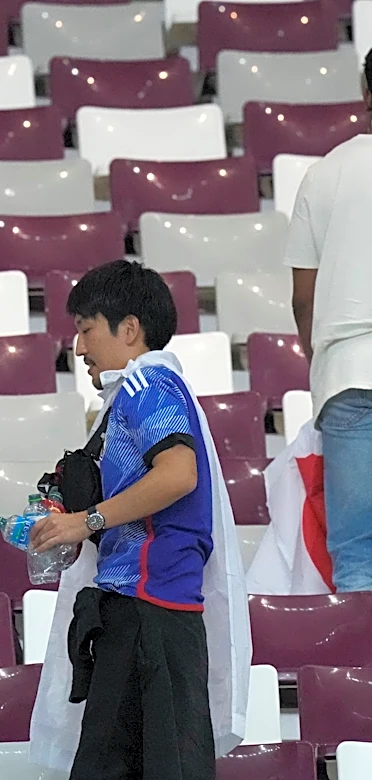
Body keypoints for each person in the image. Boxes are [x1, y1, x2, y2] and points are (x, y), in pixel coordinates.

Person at [31, 260, 223, 780]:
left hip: (151, 611)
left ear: (130, 329)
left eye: (86, 329)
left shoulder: (148, 384)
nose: (78, 348)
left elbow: (178, 474)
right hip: (138, 610)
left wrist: (86, 520)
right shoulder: (130, 398)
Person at [284, 47, 372, 592]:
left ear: (366, 92)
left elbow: (303, 298)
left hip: (346, 373)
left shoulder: (325, 173)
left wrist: (323, 362)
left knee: (358, 556)